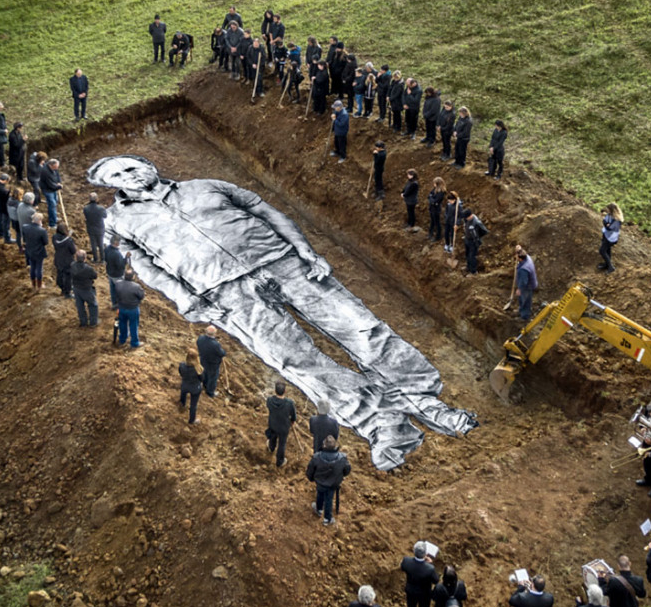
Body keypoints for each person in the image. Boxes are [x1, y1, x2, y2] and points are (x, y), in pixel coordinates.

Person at [87, 155, 476, 469]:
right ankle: (386, 427)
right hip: (227, 294)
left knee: (362, 330)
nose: (130, 176)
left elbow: (267, 212)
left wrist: (305, 249)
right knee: (299, 364)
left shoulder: (204, 186)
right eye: (117, 175)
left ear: (148, 165)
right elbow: (145, 265)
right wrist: (186, 299)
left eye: (132, 166)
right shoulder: (121, 220)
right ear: (111, 186)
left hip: (283, 261)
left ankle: (432, 406)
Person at [305, 434, 350, 526]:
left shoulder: (317, 457)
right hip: (333, 484)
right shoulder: (342, 458)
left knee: (320, 494)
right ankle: (327, 519)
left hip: (320, 483)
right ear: (335, 446)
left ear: (324, 445)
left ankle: (318, 509)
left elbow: (310, 470)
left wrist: (311, 478)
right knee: (329, 499)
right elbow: (347, 470)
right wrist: (340, 477)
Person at [401, 542, 439, 607]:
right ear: (426, 554)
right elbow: (436, 580)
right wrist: (430, 564)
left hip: (411, 592)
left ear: (414, 551)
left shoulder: (406, 561)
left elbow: (403, 567)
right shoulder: (430, 569)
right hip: (424, 594)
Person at [266, 380, 297, 468]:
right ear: (285, 391)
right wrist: (293, 421)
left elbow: (269, 407)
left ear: (275, 390)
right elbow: (293, 416)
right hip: (284, 427)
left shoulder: (269, 400)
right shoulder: (289, 403)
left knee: (272, 437)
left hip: (272, 424)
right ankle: (280, 461)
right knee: (282, 444)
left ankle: (271, 448)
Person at [113, 267, 145, 348]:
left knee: (122, 324)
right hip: (133, 309)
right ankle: (134, 343)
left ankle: (122, 340)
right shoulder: (136, 286)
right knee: (133, 325)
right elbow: (141, 296)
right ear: (133, 277)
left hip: (122, 308)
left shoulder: (118, 284)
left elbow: (115, 294)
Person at [70, 250, 99, 328]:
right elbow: (95, 276)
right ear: (85, 258)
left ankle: (83, 322)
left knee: (80, 306)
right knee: (93, 305)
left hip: (76, 288)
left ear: (76, 258)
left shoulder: (72, 265)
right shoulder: (88, 268)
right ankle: (93, 322)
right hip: (86, 289)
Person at [196, 325, 226, 398]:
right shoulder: (215, 344)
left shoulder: (200, 338)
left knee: (205, 373)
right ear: (214, 333)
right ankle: (210, 392)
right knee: (212, 378)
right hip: (213, 364)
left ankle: (205, 385)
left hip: (203, 360)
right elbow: (222, 353)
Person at [21, 212, 48, 289]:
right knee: (39, 268)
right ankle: (39, 285)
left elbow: (24, 238)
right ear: (40, 221)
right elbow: (46, 242)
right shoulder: (42, 231)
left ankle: (33, 284)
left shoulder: (25, 227)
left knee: (32, 267)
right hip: (39, 252)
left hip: (29, 251)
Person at [52, 222, 77, 298]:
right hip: (67, 260)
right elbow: (73, 251)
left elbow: (57, 245)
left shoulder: (54, 237)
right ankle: (67, 293)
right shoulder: (69, 240)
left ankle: (62, 288)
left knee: (60, 274)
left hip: (58, 259)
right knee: (68, 277)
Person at [178, 350, 202, 423]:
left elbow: (180, 373)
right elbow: (202, 379)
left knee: (183, 394)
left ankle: (182, 405)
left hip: (184, 385)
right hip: (195, 388)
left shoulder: (182, 365)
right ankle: (192, 420)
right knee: (193, 405)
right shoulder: (198, 369)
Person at [514, 246, 538, 321]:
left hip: (527, 287)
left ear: (520, 259)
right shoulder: (527, 257)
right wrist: (519, 249)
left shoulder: (523, 269)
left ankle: (525, 316)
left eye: (517, 256)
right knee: (523, 299)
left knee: (525, 300)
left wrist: (519, 289)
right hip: (530, 283)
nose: (515, 257)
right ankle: (521, 310)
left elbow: (523, 282)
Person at [599, 202, 623, 273]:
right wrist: (606, 223)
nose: (607, 211)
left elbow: (609, 227)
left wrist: (606, 224)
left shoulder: (617, 220)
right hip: (606, 234)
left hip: (611, 237)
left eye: (608, 209)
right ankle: (607, 264)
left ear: (612, 210)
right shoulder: (610, 215)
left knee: (602, 250)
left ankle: (611, 267)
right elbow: (605, 222)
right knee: (607, 250)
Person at [104, 238, 128, 309]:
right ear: (116, 243)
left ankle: (114, 303)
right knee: (120, 290)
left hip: (110, 273)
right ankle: (121, 305)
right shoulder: (117, 254)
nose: (119, 243)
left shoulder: (107, 249)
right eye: (119, 241)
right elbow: (121, 266)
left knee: (112, 289)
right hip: (117, 275)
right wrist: (126, 258)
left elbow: (105, 259)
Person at [83, 193, 108, 262]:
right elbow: (105, 216)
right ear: (97, 199)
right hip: (100, 228)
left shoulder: (86, 208)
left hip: (91, 228)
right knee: (101, 244)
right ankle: (102, 259)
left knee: (93, 244)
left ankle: (95, 259)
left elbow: (86, 216)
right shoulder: (101, 208)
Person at [463, 208, 488, 275]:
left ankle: (473, 271)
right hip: (467, 240)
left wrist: (477, 237)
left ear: (470, 216)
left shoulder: (476, 222)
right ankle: (468, 267)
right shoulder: (467, 220)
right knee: (467, 255)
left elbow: (484, 231)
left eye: (466, 217)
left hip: (473, 242)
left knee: (472, 256)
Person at [41, 158, 63, 228]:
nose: (56, 168)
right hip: (48, 190)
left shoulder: (54, 168)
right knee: (52, 205)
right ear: (51, 165)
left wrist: (59, 182)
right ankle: (52, 224)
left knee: (55, 202)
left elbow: (57, 175)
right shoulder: (45, 171)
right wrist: (58, 187)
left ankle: (54, 217)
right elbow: (50, 184)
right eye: (55, 167)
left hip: (54, 189)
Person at [16, 191, 36, 259]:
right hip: (29, 230)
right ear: (31, 201)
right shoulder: (31, 211)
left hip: (22, 226)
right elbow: (35, 221)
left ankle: (22, 248)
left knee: (23, 240)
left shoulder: (20, 205)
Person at [427, 177, 446, 242]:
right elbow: (429, 196)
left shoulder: (441, 192)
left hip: (436, 209)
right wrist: (431, 199)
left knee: (437, 223)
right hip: (432, 208)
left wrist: (431, 199)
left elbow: (435, 201)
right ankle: (430, 233)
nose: (433, 184)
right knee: (432, 221)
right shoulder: (434, 189)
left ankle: (438, 236)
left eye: (434, 183)